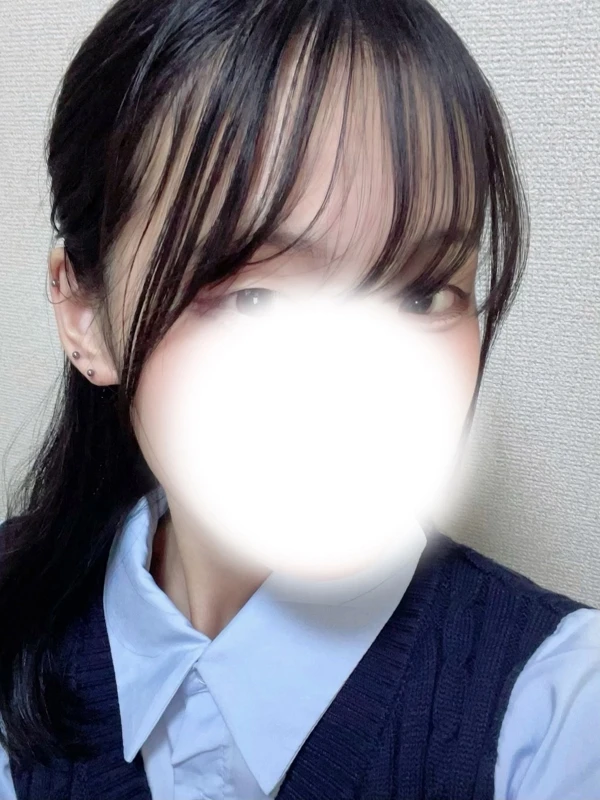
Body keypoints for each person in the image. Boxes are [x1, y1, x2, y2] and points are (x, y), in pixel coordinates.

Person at [1, 0, 599, 798]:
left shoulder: (559, 716)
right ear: (85, 313)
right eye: (255, 297)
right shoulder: (19, 611)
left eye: (421, 293)